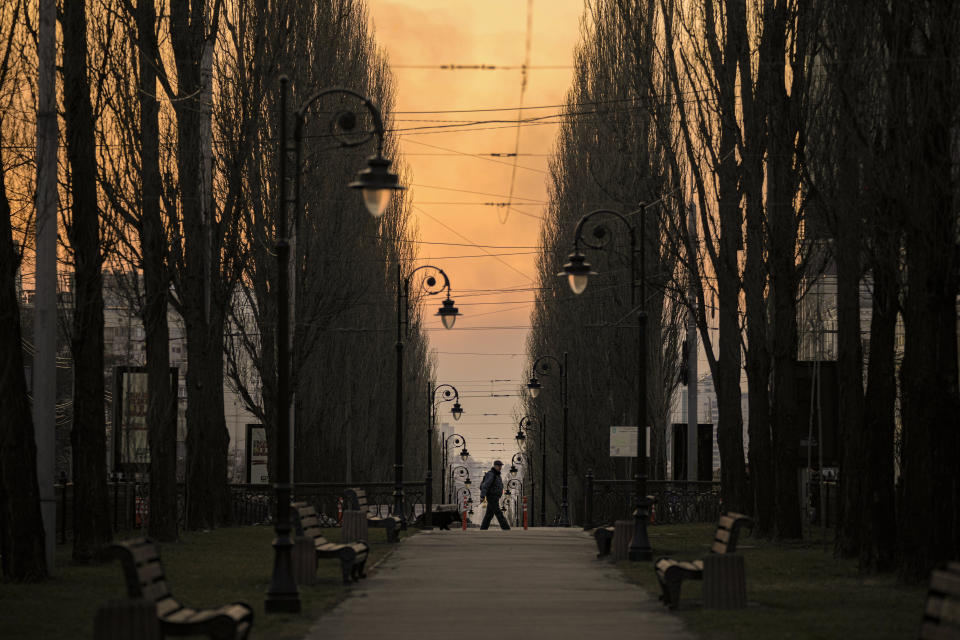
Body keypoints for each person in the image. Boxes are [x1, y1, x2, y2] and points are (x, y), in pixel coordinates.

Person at [479, 460, 510, 530]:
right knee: (499, 513)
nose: (500, 467)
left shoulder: (497, 475)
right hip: (491, 497)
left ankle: (483, 529)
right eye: (499, 466)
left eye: (501, 466)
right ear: (495, 466)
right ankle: (506, 528)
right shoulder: (491, 474)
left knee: (489, 515)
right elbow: (485, 486)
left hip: (495, 497)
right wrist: (482, 496)